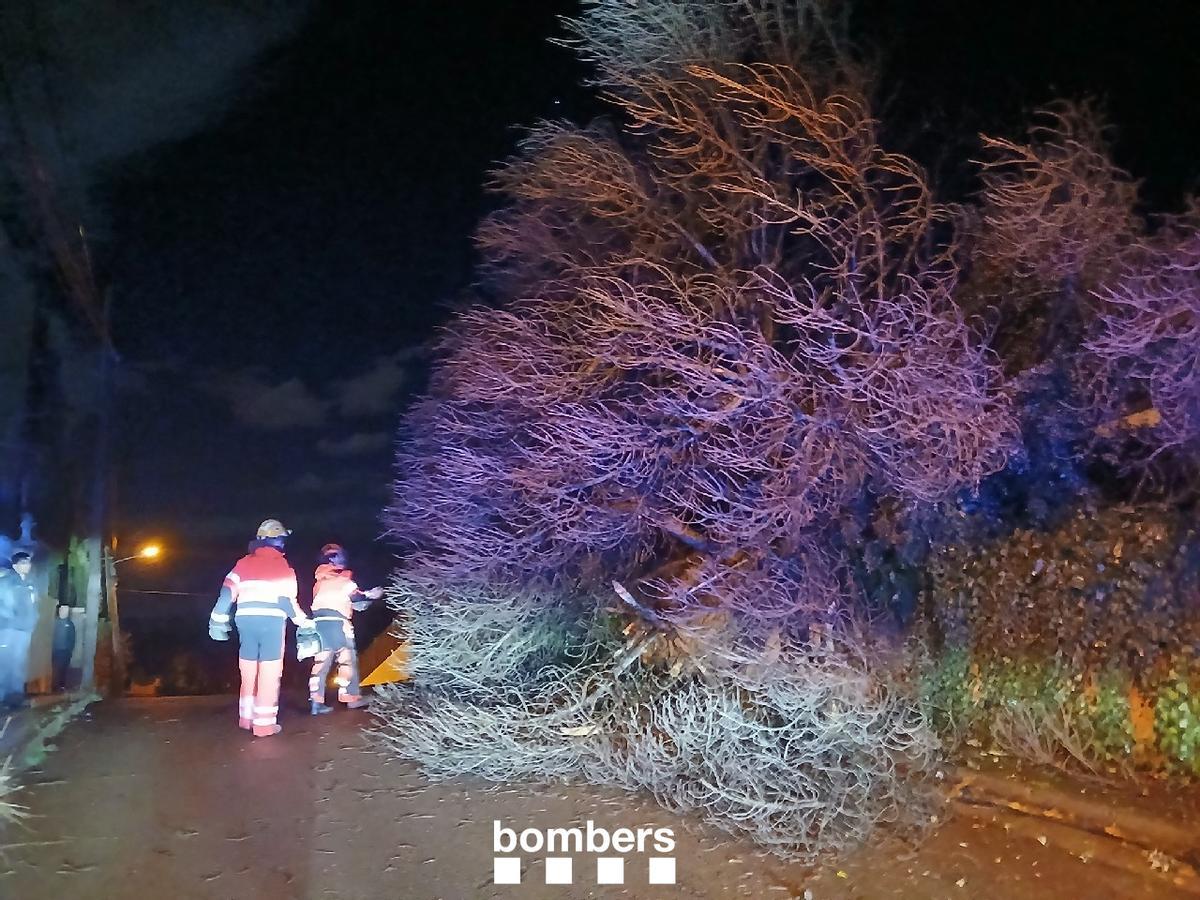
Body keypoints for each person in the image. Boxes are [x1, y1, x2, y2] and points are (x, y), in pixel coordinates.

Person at [208, 519, 315, 737]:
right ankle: (264, 724)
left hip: (245, 621)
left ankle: (246, 718)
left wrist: (217, 620)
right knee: (269, 671)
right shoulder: (283, 567)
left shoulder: (242, 564)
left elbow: (227, 592)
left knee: (248, 670)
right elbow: (287, 602)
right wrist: (304, 622)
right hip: (271, 623)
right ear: (278, 541)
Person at [308, 543, 383, 715]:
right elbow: (358, 601)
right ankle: (351, 697)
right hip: (339, 623)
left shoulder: (319, 582)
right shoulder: (344, 580)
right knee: (347, 660)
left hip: (319, 624)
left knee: (320, 663)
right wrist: (373, 595)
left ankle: (316, 701)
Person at [0, 551, 38, 709]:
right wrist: (11, 618)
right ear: (15, 566)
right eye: (23, 562)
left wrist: (33, 621)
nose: (27, 565)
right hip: (8, 629)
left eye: (28, 562)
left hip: (24, 631)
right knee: (5, 662)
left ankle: (16, 697)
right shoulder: (6, 582)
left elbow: (34, 607)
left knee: (19, 663)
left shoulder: (31, 585)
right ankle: (2, 698)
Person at [52, 605, 77, 692]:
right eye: (61, 610)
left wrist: (70, 650)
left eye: (65, 610)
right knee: (55, 667)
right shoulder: (54, 623)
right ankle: (54, 686)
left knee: (63, 668)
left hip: (65, 651)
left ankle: (61, 686)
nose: (63, 612)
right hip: (56, 650)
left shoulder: (70, 624)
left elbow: (72, 638)